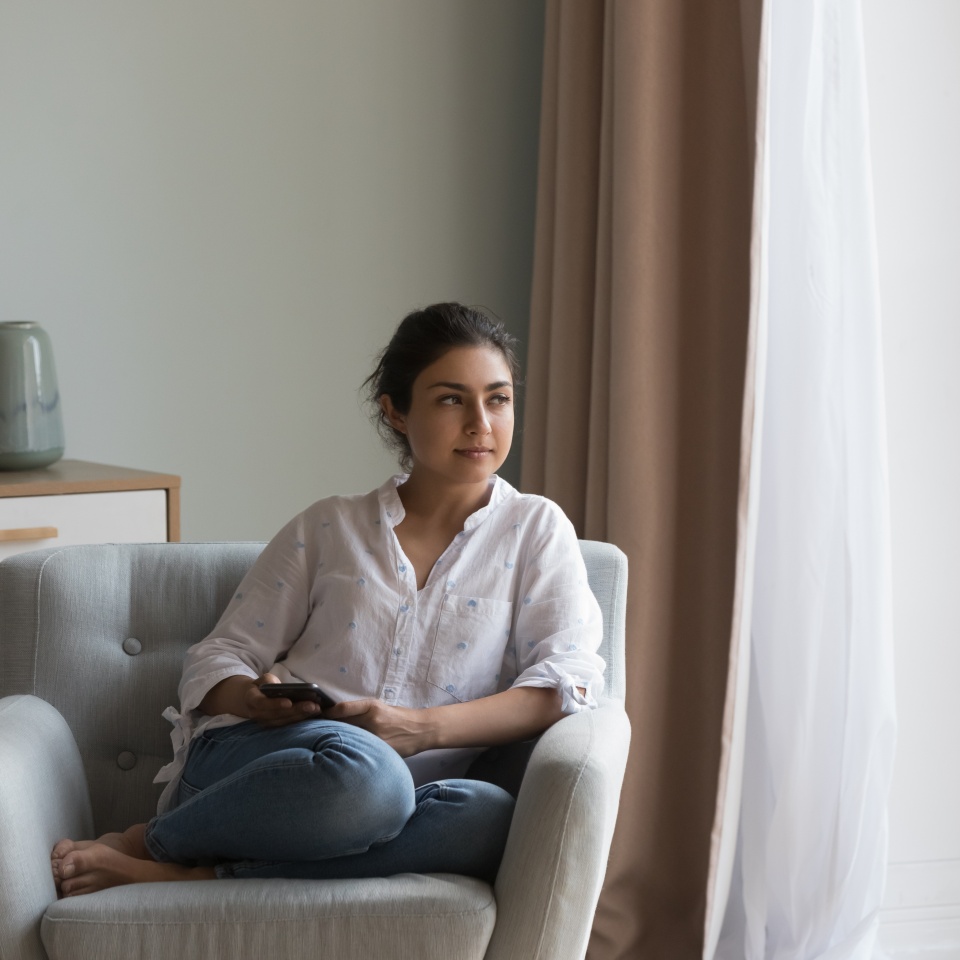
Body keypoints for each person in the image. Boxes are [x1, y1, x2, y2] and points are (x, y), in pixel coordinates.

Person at [51, 302, 606, 897]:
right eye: (451, 399)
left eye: (498, 399)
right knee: (369, 777)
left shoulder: (536, 530)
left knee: (488, 815)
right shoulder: (329, 526)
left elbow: (565, 684)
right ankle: (158, 841)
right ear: (395, 411)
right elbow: (219, 658)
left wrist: (423, 730)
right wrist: (253, 698)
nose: (481, 423)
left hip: (416, 791)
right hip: (270, 762)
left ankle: (179, 867)